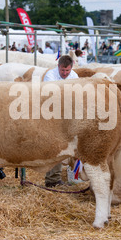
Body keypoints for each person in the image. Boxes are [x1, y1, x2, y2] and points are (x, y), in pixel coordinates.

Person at [43, 55, 78, 187]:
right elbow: (53, 97)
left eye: (67, 71)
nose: (64, 73)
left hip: (68, 116)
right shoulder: (50, 76)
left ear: (71, 68)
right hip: (52, 116)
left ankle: (73, 176)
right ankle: (52, 179)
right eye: (62, 70)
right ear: (58, 67)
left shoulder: (75, 76)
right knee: (56, 146)